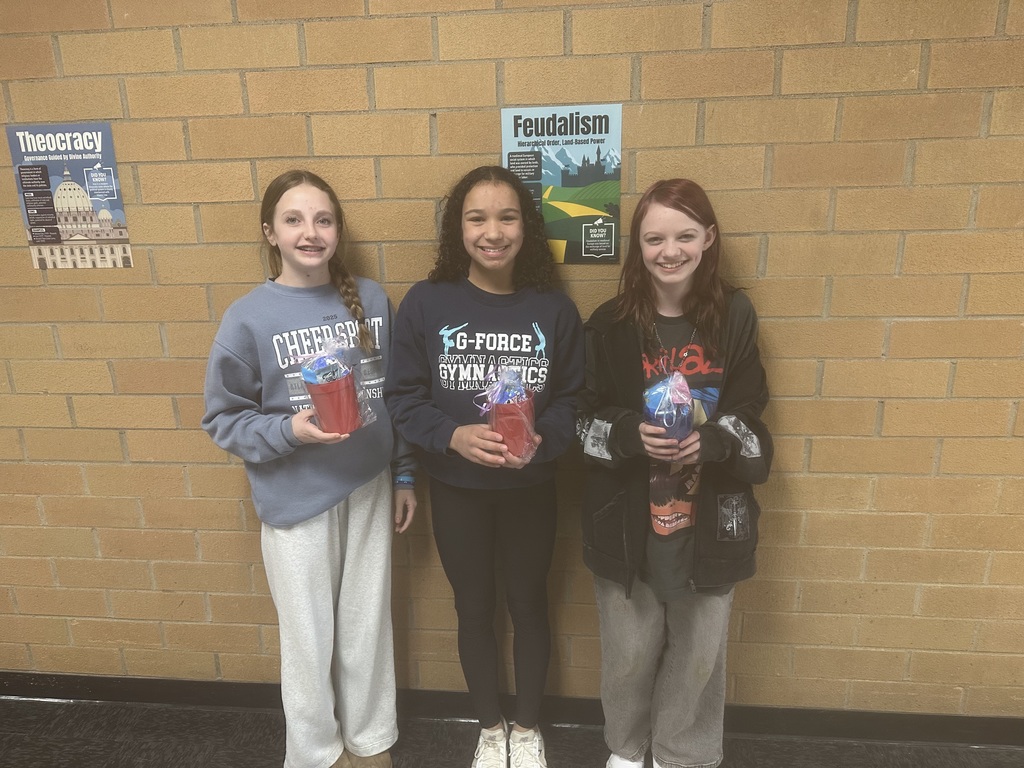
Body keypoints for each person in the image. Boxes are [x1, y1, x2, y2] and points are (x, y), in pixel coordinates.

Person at [202, 170, 416, 768]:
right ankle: (318, 753)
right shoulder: (247, 318)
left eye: (323, 220)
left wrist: (403, 475)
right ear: (269, 232)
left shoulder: (371, 301)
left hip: (369, 486)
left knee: (366, 627)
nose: (310, 233)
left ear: (338, 230)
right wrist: (288, 430)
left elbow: (393, 398)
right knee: (308, 638)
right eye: (294, 220)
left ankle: (371, 740)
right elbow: (224, 422)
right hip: (296, 499)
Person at [384, 166, 584, 768]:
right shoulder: (427, 302)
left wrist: (542, 441)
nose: (492, 232)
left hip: (531, 488)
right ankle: (490, 726)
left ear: (526, 226)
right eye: (477, 218)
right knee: (473, 608)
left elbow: (575, 400)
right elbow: (402, 396)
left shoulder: (554, 309)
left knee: (528, 604)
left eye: (507, 216)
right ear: (458, 228)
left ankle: (526, 729)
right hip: (458, 489)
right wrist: (451, 436)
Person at [576, 179, 773, 768]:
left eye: (686, 235)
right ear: (637, 245)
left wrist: (710, 441)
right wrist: (626, 434)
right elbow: (579, 419)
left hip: (709, 519)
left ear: (708, 238)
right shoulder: (609, 323)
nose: (671, 250)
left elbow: (749, 410)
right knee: (629, 651)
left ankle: (681, 754)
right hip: (628, 519)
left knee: (699, 654)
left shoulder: (734, 315)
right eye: (655, 237)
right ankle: (629, 749)